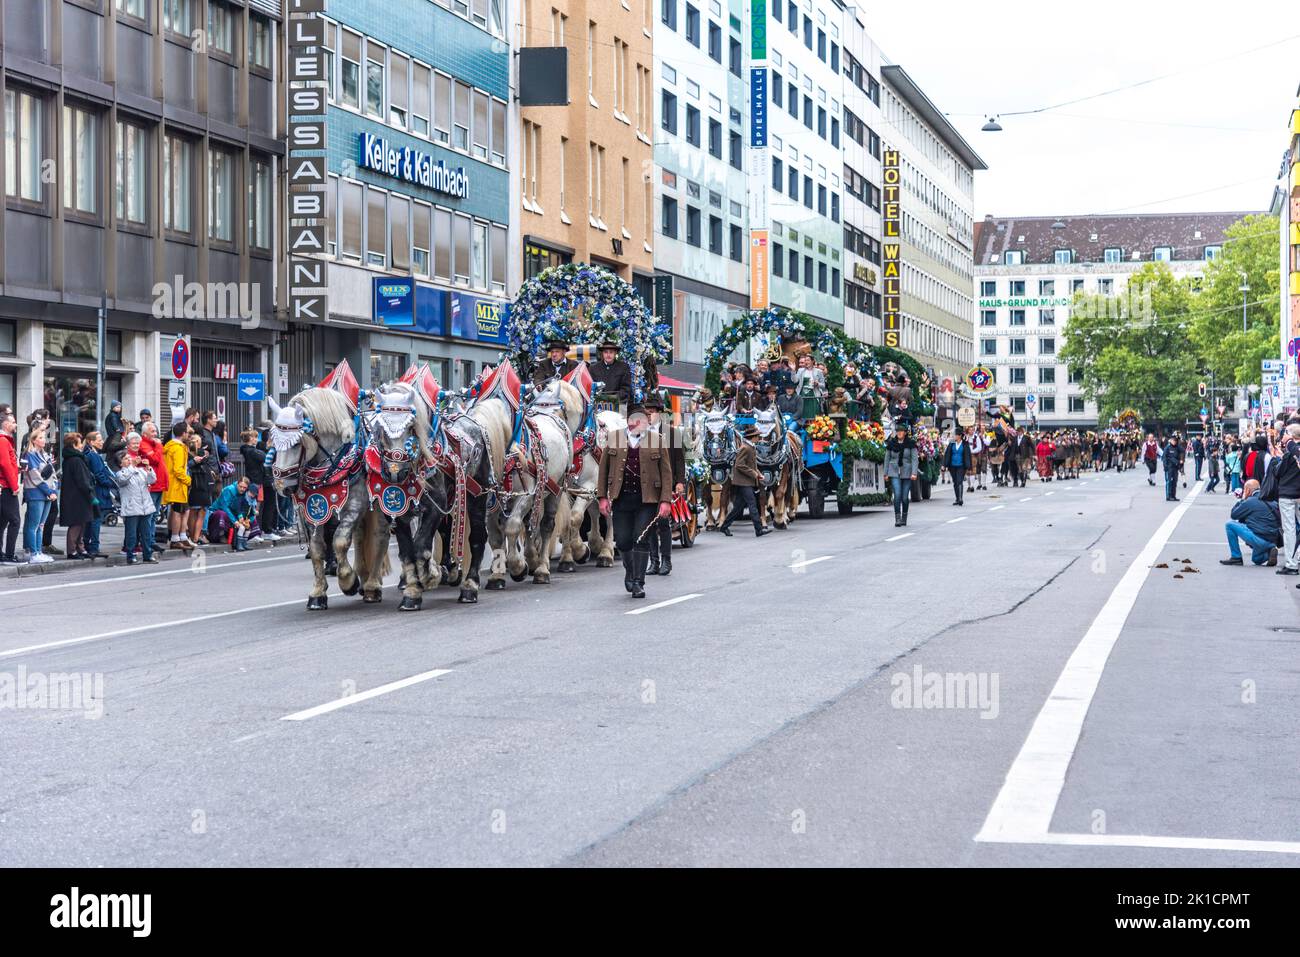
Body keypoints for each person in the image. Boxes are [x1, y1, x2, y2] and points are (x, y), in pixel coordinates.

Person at [597, 405, 674, 599]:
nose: (646, 423)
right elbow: (603, 470)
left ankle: (639, 582)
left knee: (641, 538)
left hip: (647, 500)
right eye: (642, 420)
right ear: (632, 422)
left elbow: (666, 473)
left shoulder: (657, 440)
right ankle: (630, 571)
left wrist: (665, 501)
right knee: (622, 541)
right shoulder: (614, 438)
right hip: (622, 499)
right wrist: (603, 497)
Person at [643, 392, 685, 576]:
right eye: (646, 412)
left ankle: (666, 561)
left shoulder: (672, 432)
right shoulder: (641, 433)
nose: (648, 415)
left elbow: (679, 460)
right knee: (649, 524)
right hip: (647, 485)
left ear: (659, 413)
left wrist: (680, 482)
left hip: (666, 483)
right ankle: (654, 561)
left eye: (651, 412)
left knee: (663, 523)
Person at [718, 424, 768, 538]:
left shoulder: (751, 447)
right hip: (743, 481)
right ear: (753, 437)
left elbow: (752, 464)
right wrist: (755, 474)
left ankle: (724, 527)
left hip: (746, 481)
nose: (759, 438)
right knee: (752, 504)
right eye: (758, 436)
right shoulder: (745, 448)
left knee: (738, 507)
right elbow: (739, 465)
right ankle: (759, 529)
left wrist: (759, 474)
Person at [113, 446, 158, 565]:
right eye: (126, 459)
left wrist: (148, 467)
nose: (129, 460)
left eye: (129, 458)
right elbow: (123, 480)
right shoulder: (120, 473)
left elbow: (152, 480)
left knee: (146, 533)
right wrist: (132, 467)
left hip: (145, 507)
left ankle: (148, 555)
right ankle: (130, 555)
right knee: (131, 534)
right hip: (132, 508)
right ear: (120, 463)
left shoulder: (140, 471)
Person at [1220, 479, 1280, 566]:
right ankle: (1270, 550)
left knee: (1230, 525)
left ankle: (1236, 557)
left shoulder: (1249, 501)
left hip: (1258, 538)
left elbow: (1234, 515)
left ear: (1247, 490)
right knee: (1256, 560)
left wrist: (1242, 500)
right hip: (1272, 539)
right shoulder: (1271, 500)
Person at [20, 426, 58, 564]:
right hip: (36, 493)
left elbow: (53, 474)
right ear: (34, 440)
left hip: (48, 493)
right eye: (41, 437)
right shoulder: (29, 454)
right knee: (33, 525)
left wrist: (54, 490)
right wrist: (49, 491)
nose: (44, 440)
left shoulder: (44, 454)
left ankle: (39, 551)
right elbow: (35, 476)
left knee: (41, 525)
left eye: (44, 437)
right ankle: (33, 553)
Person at [59, 433, 96, 560]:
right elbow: (83, 481)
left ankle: (80, 548)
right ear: (74, 445)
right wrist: (90, 493)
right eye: (80, 443)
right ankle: (72, 551)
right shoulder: (76, 460)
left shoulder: (72, 458)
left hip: (76, 496)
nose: (82, 446)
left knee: (81, 523)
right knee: (76, 524)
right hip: (77, 496)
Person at [82, 431, 116, 559]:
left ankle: (88, 544)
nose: (102, 442)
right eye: (99, 440)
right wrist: (110, 483)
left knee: (92, 520)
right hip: (98, 491)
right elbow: (99, 474)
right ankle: (93, 547)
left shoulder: (90, 454)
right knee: (96, 520)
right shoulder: (93, 456)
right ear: (91, 442)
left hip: (95, 490)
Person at [163, 421, 193, 550]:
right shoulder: (178, 448)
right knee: (178, 511)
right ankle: (175, 539)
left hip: (176, 484)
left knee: (183, 510)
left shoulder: (173, 446)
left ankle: (181, 536)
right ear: (183, 433)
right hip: (177, 484)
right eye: (188, 432)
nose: (189, 434)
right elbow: (178, 469)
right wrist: (188, 480)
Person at [884, 424, 919, 528]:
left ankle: (904, 517)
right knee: (897, 495)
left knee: (904, 497)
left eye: (901, 431)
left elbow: (914, 459)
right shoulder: (891, 443)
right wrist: (886, 473)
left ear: (905, 432)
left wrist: (914, 473)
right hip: (894, 471)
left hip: (907, 472)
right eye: (897, 431)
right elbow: (887, 459)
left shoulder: (911, 443)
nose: (899, 433)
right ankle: (897, 518)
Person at [0, 408, 21, 564]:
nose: (16, 424)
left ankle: (2, 554)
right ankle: (9, 555)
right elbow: (5, 465)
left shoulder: (5, 440)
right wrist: (14, 486)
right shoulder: (3, 440)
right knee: (14, 520)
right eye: (13, 422)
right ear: (6, 424)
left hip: (5, 485)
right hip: (6, 486)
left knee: (2, 522)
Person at [139, 421, 168, 521]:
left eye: (155, 431)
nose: (155, 434)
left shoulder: (154, 444)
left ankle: (150, 536)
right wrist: (159, 445)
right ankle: (148, 537)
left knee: (154, 515)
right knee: (150, 515)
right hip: (152, 485)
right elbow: (155, 459)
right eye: (152, 431)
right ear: (144, 434)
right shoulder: (143, 445)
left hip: (159, 484)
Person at [591, 342, 633, 406]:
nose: (608, 355)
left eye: (611, 352)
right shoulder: (593, 368)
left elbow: (626, 388)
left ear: (615, 353)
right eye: (605, 352)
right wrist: (599, 399)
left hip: (619, 403)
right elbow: (591, 387)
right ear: (602, 353)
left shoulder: (624, 367)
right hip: (599, 403)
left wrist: (613, 398)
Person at [943, 428, 971, 506]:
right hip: (952, 466)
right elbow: (947, 454)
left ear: (959, 436)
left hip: (961, 466)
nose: (953, 436)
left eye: (955, 435)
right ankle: (957, 498)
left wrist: (969, 467)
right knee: (955, 482)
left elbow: (968, 455)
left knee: (959, 481)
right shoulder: (951, 444)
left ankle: (960, 499)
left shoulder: (965, 444)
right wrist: (944, 465)